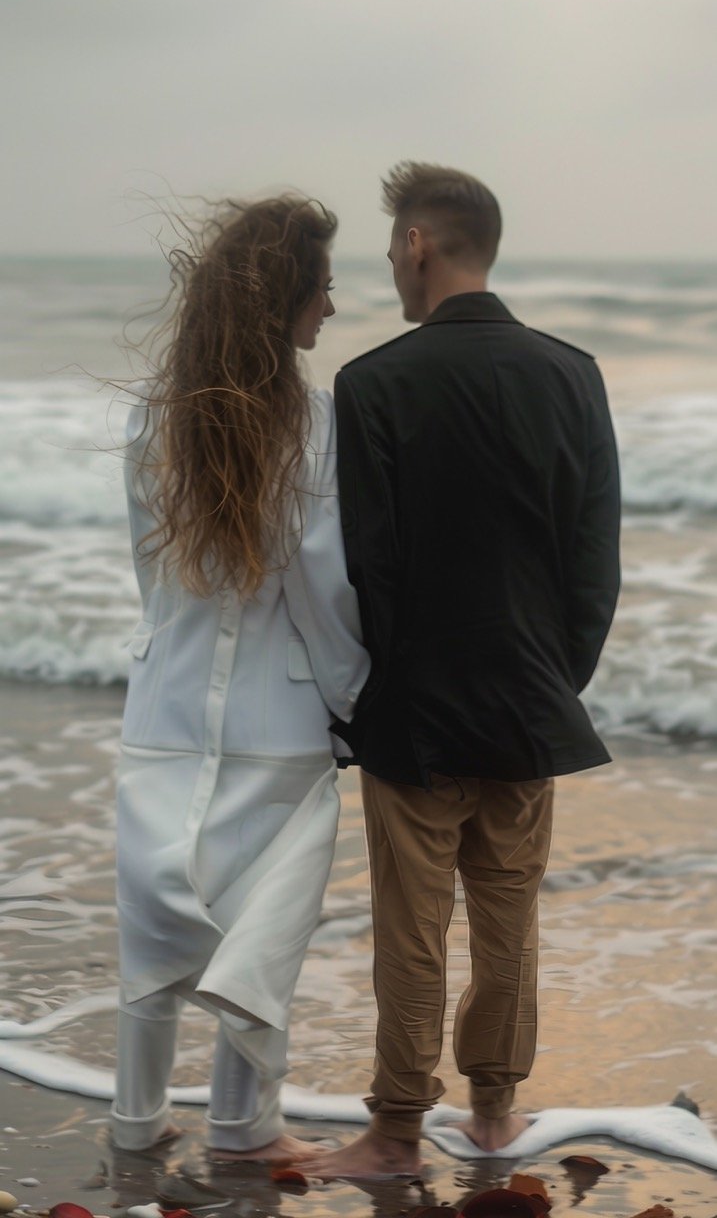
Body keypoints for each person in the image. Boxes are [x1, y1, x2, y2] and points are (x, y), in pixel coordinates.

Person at [306, 162, 621, 1179]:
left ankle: (397, 1129)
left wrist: (381, 688)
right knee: (507, 913)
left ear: (417, 245)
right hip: (531, 700)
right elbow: (593, 561)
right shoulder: (573, 372)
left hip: (418, 708)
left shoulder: (375, 381)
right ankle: (494, 1111)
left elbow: (371, 565)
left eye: (393, 246)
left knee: (412, 927)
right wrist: (551, 675)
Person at [111, 196, 369, 1160]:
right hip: (282, 712)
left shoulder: (155, 413)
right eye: (325, 287)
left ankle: (135, 1122)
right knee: (260, 934)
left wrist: (169, 644)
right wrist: (353, 699)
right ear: (285, 298)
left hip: (163, 699)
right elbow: (318, 579)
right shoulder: (310, 420)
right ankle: (241, 1127)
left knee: (152, 918)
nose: (331, 308)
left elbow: (150, 568)